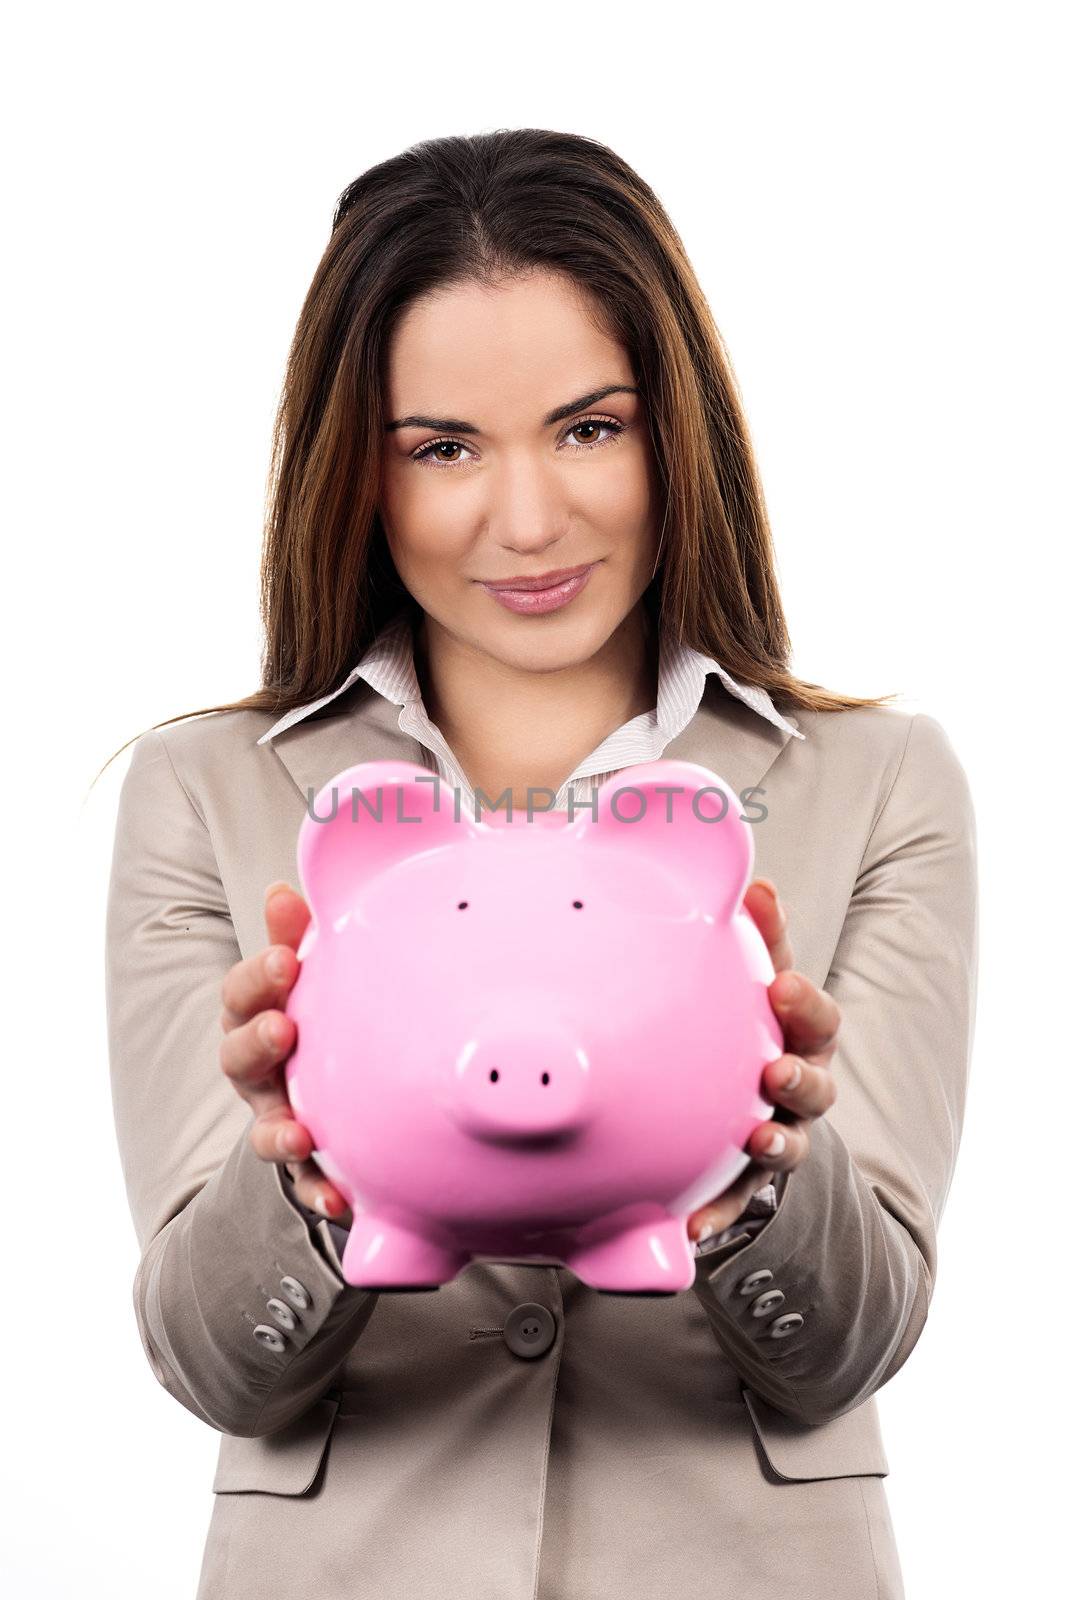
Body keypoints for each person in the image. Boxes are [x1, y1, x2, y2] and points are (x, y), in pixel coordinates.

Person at [102, 129, 978, 1600]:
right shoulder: (207, 795)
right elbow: (215, 1367)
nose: (527, 521)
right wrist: (300, 1182)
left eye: (590, 428)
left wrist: (770, 1169)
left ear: (674, 430)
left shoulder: (881, 786)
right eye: (442, 448)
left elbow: (856, 1341)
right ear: (359, 476)